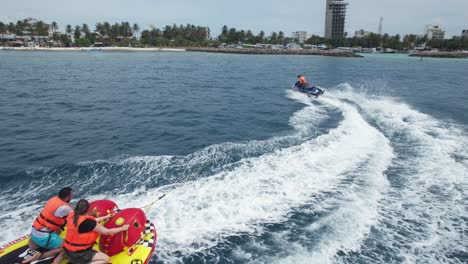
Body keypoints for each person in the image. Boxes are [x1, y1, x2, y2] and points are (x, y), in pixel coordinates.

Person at [60, 199, 129, 264]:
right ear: (88, 209)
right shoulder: (88, 223)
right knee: (106, 259)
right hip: (78, 254)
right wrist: (122, 228)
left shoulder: (73, 216)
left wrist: (105, 217)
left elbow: (90, 222)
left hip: (68, 250)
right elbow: (107, 232)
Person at [22, 187, 74, 264]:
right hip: (43, 237)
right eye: (71, 195)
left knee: (57, 226)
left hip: (34, 233)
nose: (72, 197)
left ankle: (36, 246)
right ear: (68, 196)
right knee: (67, 248)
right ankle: (37, 257)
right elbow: (78, 215)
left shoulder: (53, 200)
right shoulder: (64, 208)